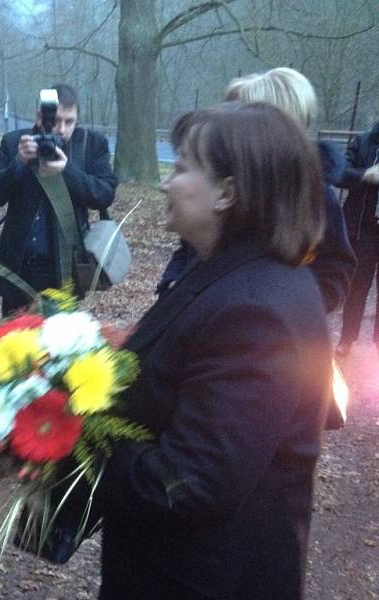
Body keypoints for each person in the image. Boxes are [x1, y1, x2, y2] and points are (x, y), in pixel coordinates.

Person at [93, 103, 332, 599]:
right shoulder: (229, 275)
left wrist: (78, 440)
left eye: (181, 168)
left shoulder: (256, 312)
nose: (166, 183)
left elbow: (192, 482)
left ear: (227, 193)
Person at [158, 67, 355, 315]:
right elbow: (189, 250)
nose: (221, 126)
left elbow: (334, 269)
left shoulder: (313, 196)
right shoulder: (225, 187)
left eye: (237, 115)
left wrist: (286, 310)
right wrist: (174, 284)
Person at [0, 84, 117, 315]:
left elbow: (104, 194)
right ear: (40, 117)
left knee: (60, 345)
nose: (62, 129)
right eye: (56, 121)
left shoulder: (91, 144)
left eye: (70, 121)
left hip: (65, 267)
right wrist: (18, 163)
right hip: (18, 267)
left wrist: (67, 171)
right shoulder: (15, 142)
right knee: (14, 345)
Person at [335, 120, 379, 356]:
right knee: (358, 286)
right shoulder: (363, 142)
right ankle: (347, 339)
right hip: (364, 230)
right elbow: (338, 174)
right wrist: (366, 176)